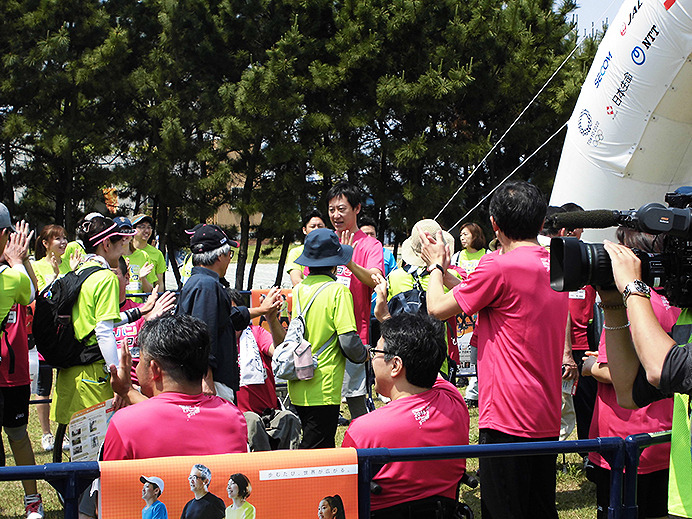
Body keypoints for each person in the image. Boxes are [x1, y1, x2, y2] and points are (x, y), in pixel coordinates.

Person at [421, 180, 568, 519]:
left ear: (494, 225)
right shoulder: (555, 264)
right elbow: (494, 297)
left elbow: (436, 309)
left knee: (504, 509)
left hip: (506, 414)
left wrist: (435, 267)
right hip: (544, 411)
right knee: (540, 507)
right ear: (540, 221)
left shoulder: (498, 265)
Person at [598, 236, 692, 519]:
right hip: (684, 498)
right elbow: (628, 392)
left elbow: (662, 369)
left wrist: (633, 288)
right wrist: (614, 306)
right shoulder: (687, 317)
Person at [342, 312, 469, 517]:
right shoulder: (454, 401)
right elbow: (425, 358)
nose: (373, 359)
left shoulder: (364, 429)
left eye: (376, 352)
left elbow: (344, 494)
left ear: (396, 365)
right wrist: (385, 316)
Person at [104, 314, 249, 459]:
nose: (137, 368)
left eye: (140, 360)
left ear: (154, 369)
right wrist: (127, 391)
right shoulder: (233, 418)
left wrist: (127, 391)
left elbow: (112, 481)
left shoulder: (125, 424)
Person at [176, 224, 280, 403]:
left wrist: (262, 310)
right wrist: (206, 378)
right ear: (219, 256)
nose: (229, 259)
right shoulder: (207, 286)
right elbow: (204, 334)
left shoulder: (200, 282)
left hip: (208, 378)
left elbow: (227, 318)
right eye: (229, 254)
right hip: (211, 381)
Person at [50, 216, 135, 427]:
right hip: (93, 375)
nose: (124, 248)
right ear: (106, 244)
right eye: (120, 242)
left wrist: (139, 312)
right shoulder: (106, 278)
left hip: (70, 373)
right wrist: (118, 373)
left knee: (76, 447)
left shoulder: (77, 273)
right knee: (98, 448)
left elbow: (90, 320)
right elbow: (103, 331)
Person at [291, 228, 368, 448]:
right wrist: (364, 355)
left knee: (310, 441)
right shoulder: (338, 291)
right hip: (324, 384)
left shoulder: (299, 289)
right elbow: (348, 341)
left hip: (298, 380)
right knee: (318, 450)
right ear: (336, 264)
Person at [327, 182, 384, 419]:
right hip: (323, 336)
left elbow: (375, 279)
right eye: (331, 210)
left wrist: (348, 260)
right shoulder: (324, 241)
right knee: (325, 402)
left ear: (357, 209)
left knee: (356, 397)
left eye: (341, 209)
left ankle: (363, 451)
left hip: (353, 333)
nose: (336, 215)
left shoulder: (370, 244)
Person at [0, 210, 43, 519]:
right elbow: (30, 290)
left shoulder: (14, 273)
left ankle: (32, 500)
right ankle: (32, 501)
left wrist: (22, 260)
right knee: (17, 435)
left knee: (18, 434)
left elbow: (34, 293)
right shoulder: (11, 276)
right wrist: (18, 260)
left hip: (12, 373)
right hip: (10, 371)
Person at [228, 289, 301, 451]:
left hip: (269, 411)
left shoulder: (256, 333)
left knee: (289, 418)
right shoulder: (218, 341)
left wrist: (271, 317)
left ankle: (289, 470)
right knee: (252, 421)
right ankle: (263, 470)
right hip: (239, 415)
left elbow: (281, 351)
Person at [285, 210, 327, 287]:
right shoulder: (296, 253)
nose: (316, 229)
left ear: (326, 228)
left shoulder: (331, 251)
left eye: (320, 226)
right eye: (312, 226)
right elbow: (296, 281)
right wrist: (321, 290)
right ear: (304, 230)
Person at [130, 214, 167, 288]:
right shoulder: (124, 250)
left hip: (147, 297)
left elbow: (159, 283)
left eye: (149, 227)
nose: (147, 231)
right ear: (133, 229)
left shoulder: (157, 254)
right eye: (142, 227)